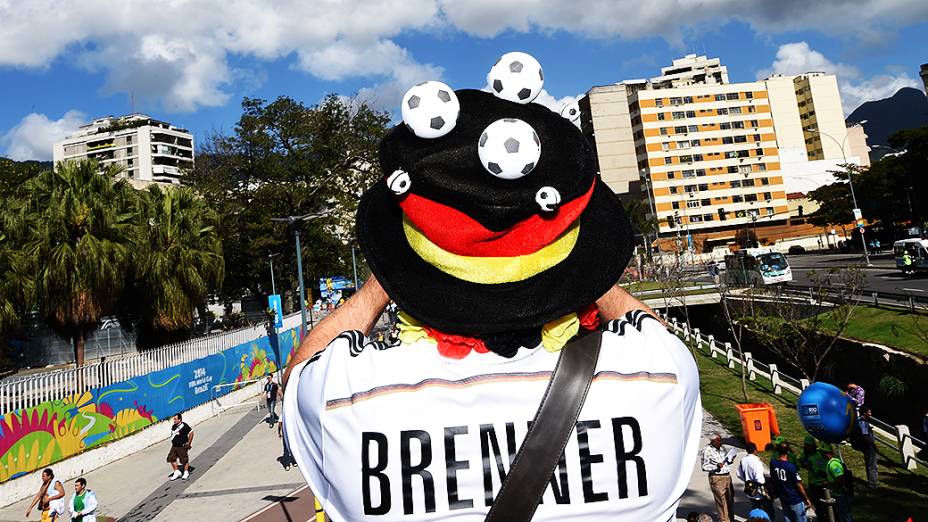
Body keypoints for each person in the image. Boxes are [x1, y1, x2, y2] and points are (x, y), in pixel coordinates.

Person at [282, 64, 702, 520]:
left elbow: (300, 375)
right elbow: (654, 334)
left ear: (410, 258)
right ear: (576, 251)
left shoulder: (351, 398)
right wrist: (586, 269)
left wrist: (390, 275)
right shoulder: (656, 378)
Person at [769, 442, 812, 522]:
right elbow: (798, 484)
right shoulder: (791, 467)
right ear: (788, 451)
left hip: (783, 497)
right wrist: (806, 498)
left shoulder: (773, 463)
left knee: (788, 518)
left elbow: (772, 477)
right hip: (794, 499)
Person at [702, 432, 735, 522]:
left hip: (727, 476)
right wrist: (716, 466)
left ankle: (731, 519)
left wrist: (730, 460)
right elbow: (704, 466)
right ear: (714, 441)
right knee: (721, 502)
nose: (721, 442)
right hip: (717, 478)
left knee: (730, 500)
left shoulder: (722, 448)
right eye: (719, 440)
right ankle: (724, 520)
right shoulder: (707, 450)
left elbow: (725, 462)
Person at [737, 442, 774, 519]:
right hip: (760, 493)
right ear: (755, 450)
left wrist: (747, 480)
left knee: (755, 511)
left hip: (750, 490)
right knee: (769, 511)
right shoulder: (757, 462)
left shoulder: (743, 460)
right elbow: (760, 480)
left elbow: (738, 474)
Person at [822, 443, 852, 522]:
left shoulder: (833, 465)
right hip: (837, 495)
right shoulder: (831, 463)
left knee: (845, 517)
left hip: (841, 495)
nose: (821, 454)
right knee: (842, 516)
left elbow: (841, 480)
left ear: (827, 453)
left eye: (822, 452)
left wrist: (828, 484)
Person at [799, 435, 828, 515]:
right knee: (817, 505)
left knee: (826, 505)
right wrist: (804, 463)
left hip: (823, 483)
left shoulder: (820, 454)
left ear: (813, 445)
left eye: (809, 445)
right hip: (813, 483)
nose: (808, 447)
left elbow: (826, 468)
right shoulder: (805, 455)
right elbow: (800, 462)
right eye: (806, 445)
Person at [167, 413, 194, 481]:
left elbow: (191, 432)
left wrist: (189, 442)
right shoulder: (173, 426)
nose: (174, 421)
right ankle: (177, 472)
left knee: (184, 460)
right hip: (174, 446)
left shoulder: (184, 426)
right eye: (174, 419)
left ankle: (186, 472)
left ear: (180, 419)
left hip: (182, 446)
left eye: (175, 419)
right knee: (171, 458)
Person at [857, 407, 878, 488]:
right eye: (869, 412)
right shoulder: (863, 423)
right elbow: (865, 435)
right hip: (869, 446)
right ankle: (873, 483)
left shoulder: (859, 421)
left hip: (867, 445)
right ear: (864, 413)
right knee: (872, 465)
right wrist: (873, 444)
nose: (870, 414)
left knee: (871, 464)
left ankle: (872, 482)